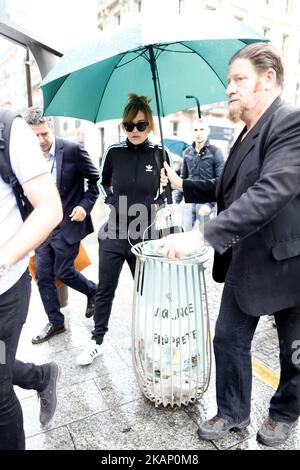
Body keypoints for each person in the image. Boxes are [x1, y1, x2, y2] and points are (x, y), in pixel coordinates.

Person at [158, 43, 300, 447]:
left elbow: (271, 191)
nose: (229, 88)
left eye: (239, 79)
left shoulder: (290, 123)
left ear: (267, 78)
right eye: (229, 80)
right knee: (227, 338)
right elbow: (232, 189)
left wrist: (201, 235)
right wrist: (183, 184)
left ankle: (284, 413)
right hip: (247, 258)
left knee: (295, 350)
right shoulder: (246, 131)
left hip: (290, 259)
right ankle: (234, 411)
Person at [76, 94, 171, 365]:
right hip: (114, 234)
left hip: (146, 235)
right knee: (105, 289)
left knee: (149, 292)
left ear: (150, 125)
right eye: (129, 126)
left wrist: (161, 198)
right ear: (123, 127)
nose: (135, 131)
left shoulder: (160, 153)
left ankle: (152, 340)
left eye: (141, 125)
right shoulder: (113, 152)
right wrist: (113, 201)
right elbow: (101, 183)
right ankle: (97, 341)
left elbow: (170, 193)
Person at [0, 108, 63, 450]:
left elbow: (51, 208)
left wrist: (3, 259)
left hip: (5, 292)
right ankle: (41, 376)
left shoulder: (10, 130)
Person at [23, 107, 100, 344]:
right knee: (43, 276)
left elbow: (95, 181)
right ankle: (56, 323)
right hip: (42, 226)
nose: (41, 140)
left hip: (68, 223)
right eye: (34, 135)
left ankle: (92, 290)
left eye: (44, 134)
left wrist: (84, 206)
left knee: (63, 271)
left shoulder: (73, 149)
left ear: (51, 127)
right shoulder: (27, 154)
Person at [175, 118, 224, 230]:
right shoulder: (186, 152)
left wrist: (210, 205)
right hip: (188, 202)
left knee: (204, 239)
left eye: (202, 129)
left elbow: (220, 181)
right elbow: (183, 179)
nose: (198, 133)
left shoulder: (216, 152)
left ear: (208, 131)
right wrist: (177, 202)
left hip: (207, 203)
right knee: (186, 237)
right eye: (196, 130)